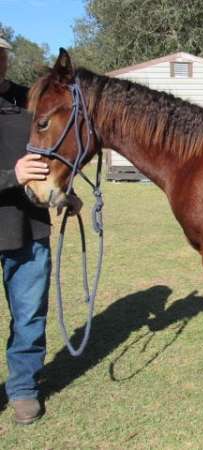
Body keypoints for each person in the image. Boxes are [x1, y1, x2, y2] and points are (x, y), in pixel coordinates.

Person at [0, 35, 52, 425]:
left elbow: (52, 152)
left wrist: (60, 191)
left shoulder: (30, 102)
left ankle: (22, 389)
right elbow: (21, 170)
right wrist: (11, 176)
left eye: (0, 54)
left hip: (29, 228)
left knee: (30, 316)